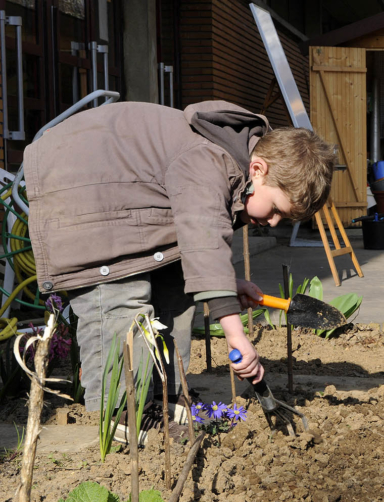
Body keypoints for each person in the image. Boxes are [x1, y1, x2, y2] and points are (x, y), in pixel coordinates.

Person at [24, 100, 334, 438]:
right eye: (275, 209)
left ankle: (160, 395)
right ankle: (123, 412)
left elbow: (195, 241)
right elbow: (204, 240)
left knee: (176, 285)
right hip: (84, 189)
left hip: (126, 197)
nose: (272, 222)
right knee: (121, 296)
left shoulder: (229, 162)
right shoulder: (209, 160)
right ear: (258, 169)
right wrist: (236, 335)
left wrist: (227, 283)